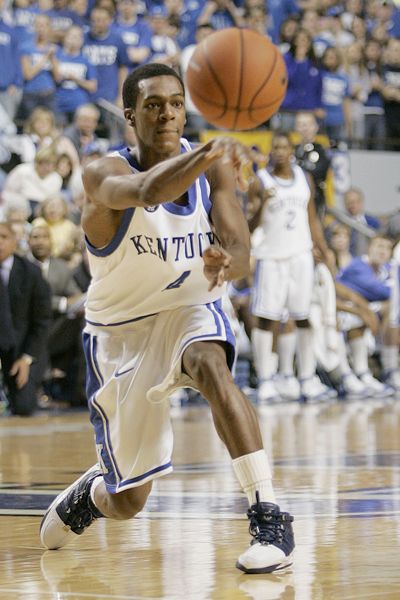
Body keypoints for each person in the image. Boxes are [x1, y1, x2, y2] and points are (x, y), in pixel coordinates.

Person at [39, 63, 295, 575]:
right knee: (130, 501)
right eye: (154, 105)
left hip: (188, 308)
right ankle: (92, 496)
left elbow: (241, 249)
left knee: (210, 364)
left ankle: (269, 513)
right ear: (130, 115)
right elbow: (146, 192)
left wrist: (229, 262)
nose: (168, 114)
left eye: (176, 103)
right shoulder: (101, 173)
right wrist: (210, 149)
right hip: (121, 333)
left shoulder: (213, 170)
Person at [248, 131, 336, 403]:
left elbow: (312, 220)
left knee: (303, 316)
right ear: (270, 151)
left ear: (291, 150)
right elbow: (248, 225)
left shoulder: (304, 178)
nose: (280, 151)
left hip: (301, 256)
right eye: (275, 147)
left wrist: (324, 249)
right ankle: (265, 379)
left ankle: (307, 378)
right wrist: (262, 204)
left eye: (285, 146)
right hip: (271, 257)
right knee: (267, 319)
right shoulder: (260, 181)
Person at [0, 221, 52, 415]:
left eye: (3, 237)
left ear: (15, 242)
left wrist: (26, 358)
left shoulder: (32, 272)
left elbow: (42, 321)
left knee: (23, 407)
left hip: (23, 349)